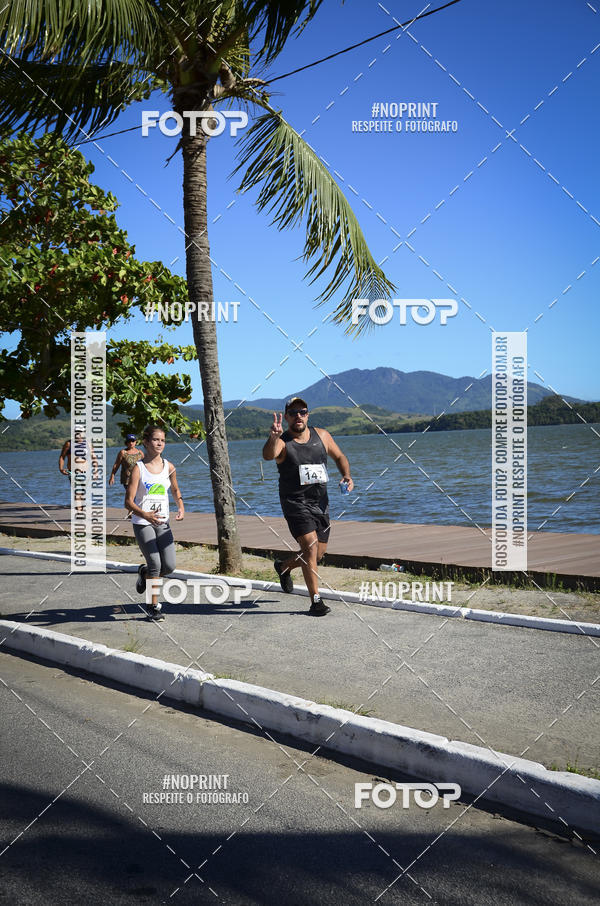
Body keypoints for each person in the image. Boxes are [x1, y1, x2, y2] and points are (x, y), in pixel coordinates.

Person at [262, 397, 354, 616]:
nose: (298, 416)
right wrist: (273, 437)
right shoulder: (282, 441)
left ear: (307, 415)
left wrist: (347, 475)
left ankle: (283, 566)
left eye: (302, 412)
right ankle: (316, 601)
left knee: (317, 553)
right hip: (294, 503)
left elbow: (339, 456)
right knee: (310, 547)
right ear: (286, 417)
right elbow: (268, 455)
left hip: (320, 503)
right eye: (293, 413)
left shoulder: (322, 435)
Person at [125, 424, 184, 621]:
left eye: (163, 440)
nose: (160, 443)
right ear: (146, 442)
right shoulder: (138, 468)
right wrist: (145, 514)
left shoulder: (169, 467)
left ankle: (143, 573)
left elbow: (175, 490)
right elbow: (128, 502)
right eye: (156, 440)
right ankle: (153, 606)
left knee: (169, 566)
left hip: (163, 523)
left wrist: (181, 506)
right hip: (142, 522)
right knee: (155, 564)